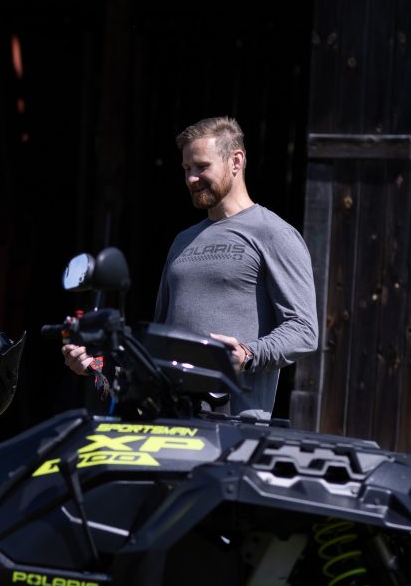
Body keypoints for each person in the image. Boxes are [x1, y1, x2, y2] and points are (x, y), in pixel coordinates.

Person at [63, 115, 318, 418]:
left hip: (232, 427)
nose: (191, 179)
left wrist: (247, 354)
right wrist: (100, 364)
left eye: (201, 167)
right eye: (186, 169)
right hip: (169, 420)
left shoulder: (273, 233)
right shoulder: (183, 241)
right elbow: (158, 343)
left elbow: (304, 330)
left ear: (236, 161)